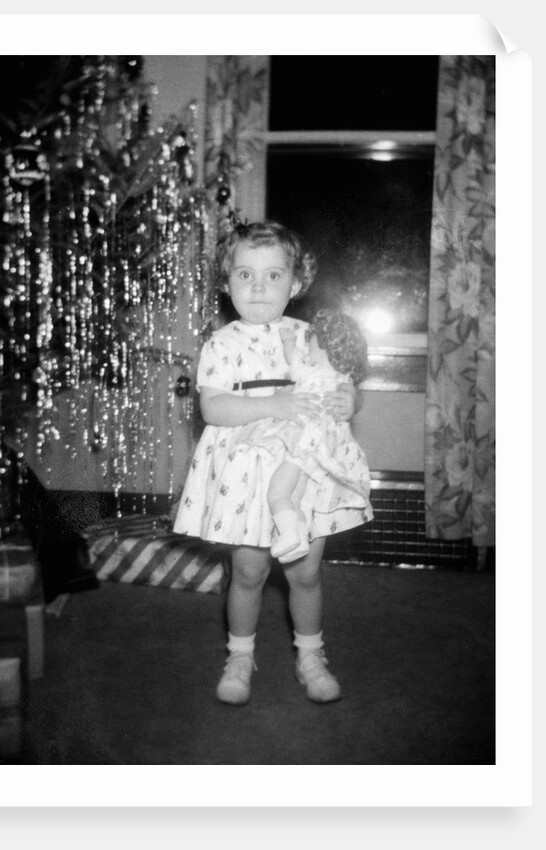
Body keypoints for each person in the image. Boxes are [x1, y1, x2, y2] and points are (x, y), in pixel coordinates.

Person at [173, 221, 373, 705]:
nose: (258, 287)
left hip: (305, 471)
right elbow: (213, 409)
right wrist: (272, 406)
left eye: (272, 275)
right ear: (226, 282)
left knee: (305, 573)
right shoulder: (221, 344)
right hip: (245, 473)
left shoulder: (310, 336)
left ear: (296, 283)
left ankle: (311, 654)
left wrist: (351, 401)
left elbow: (339, 386)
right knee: (249, 573)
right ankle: (240, 655)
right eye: (245, 275)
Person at [237, 309, 371, 565]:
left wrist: (289, 342)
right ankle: (297, 538)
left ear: (323, 346)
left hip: (302, 444)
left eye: (310, 342)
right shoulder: (341, 378)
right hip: (321, 450)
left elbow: (294, 361)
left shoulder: (313, 372)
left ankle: (287, 533)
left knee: (278, 492)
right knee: (296, 497)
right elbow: (352, 394)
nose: (306, 346)